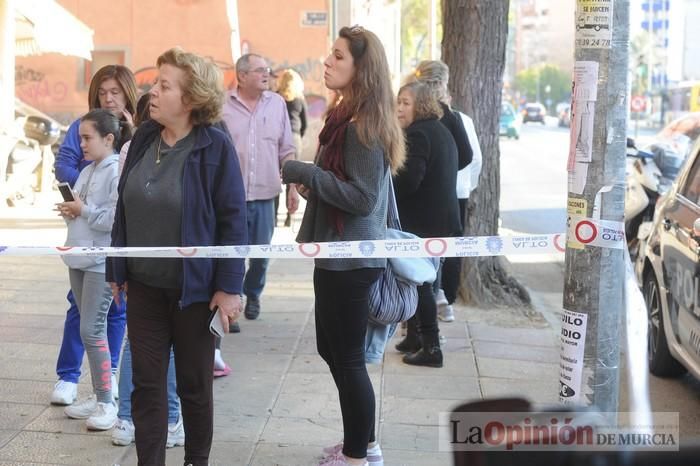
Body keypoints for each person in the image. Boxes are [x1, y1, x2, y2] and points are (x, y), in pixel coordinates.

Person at [107, 47, 247, 466]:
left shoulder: (214, 147)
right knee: (146, 387)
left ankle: (195, 462)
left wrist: (229, 288)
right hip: (144, 288)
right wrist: (118, 266)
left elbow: (233, 221)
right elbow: (124, 207)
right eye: (155, 82)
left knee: (193, 386)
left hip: (197, 292)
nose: (152, 90)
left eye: (164, 85)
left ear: (190, 99)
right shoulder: (146, 135)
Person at [282, 25, 405, 466]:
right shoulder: (343, 118)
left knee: (348, 357)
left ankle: (360, 455)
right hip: (335, 252)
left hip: (353, 258)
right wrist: (314, 184)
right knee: (331, 350)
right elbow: (346, 189)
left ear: (361, 69)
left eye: (338, 57)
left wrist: (306, 173)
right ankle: (361, 441)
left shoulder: (361, 126)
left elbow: (363, 197)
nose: (327, 62)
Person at [51, 65, 137, 406]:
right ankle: (70, 377)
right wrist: (81, 197)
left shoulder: (138, 130)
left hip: (111, 247)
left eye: (116, 91)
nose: (109, 97)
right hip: (83, 244)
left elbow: (118, 209)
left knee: (109, 316)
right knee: (82, 315)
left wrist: (89, 206)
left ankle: (107, 386)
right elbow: (66, 163)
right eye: (103, 92)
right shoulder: (86, 137)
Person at [111, 93, 184, 448]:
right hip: (147, 269)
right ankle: (158, 418)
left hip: (169, 268)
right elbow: (123, 210)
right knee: (154, 347)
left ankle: (132, 416)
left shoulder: (197, 145)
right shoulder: (138, 147)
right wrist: (118, 267)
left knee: (144, 346)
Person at [222, 53, 298, 321]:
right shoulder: (223, 106)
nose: (266, 74)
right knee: (233, 255)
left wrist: (292, 187)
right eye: (259, 70)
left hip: (266, 194)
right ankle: (235, 302)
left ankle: (253, 292)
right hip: (231, 197)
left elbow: (287, 149)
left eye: (267, 69)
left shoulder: (277, 104)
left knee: (262, 254)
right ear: (241, 76)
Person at [393, 81, 460, 368]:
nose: (399, 108)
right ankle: (415, 338)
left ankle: (431, 347)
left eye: (405, 102)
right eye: (398, 101)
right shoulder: (439, 130)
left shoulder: (418, 134)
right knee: (416, 280)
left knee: (419, 283)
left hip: (424, 223)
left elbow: (409, 181)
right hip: (439, 220)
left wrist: (385, 186)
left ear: (420, 105)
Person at [438, 111, 482, 320]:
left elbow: (473, 158)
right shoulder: (463, 119)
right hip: (458, 191)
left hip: (444, 191)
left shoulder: (459, 119)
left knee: (437, 245)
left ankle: (442, 298)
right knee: (452, 246)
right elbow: (476, 159)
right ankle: (447, 300)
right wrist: (466, 185)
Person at [276, 68, 308, 227]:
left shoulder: (275, 97)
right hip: (294, 138)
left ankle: (274, 213)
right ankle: (290, 214)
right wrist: (298, 136)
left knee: (275, 175)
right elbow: (305, 123)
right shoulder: (299, 99)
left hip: (276, 137)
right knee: (292, 177)